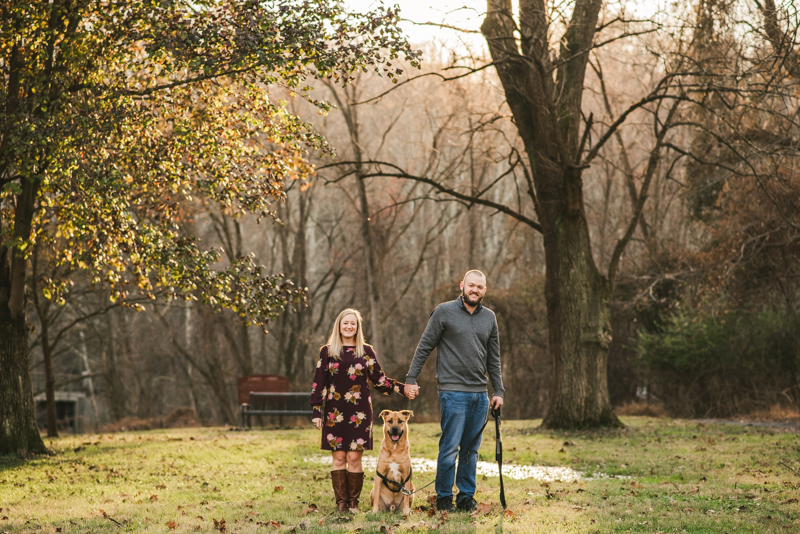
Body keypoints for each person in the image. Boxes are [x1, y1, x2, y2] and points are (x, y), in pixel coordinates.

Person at [404, 270, 504, 513]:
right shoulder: (443, 312)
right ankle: (444, 498)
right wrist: (411, 378)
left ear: (485, 290)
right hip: (452, 392)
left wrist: (498, 390)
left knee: (471, 449)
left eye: (480, 287)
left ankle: (466, 497)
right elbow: (425, 346)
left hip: (480, 395)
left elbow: (494, 358)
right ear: (462, 285)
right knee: (449, 448)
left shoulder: (489, 318)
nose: (475, 290)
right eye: (471, 285)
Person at [310, 308, 415, 513]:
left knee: (354, 458)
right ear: (339, 326)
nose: (349, 326)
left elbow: (380, 381)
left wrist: (403, 389)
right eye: (345, 323)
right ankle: (341, 504)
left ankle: (353, 504)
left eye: (353, 323)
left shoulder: (366, 351)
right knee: (339, 458)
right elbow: (319, 383)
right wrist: (316, 412)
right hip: (334, 413)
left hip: (359, 414)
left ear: (358, 327)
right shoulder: (327, 351)